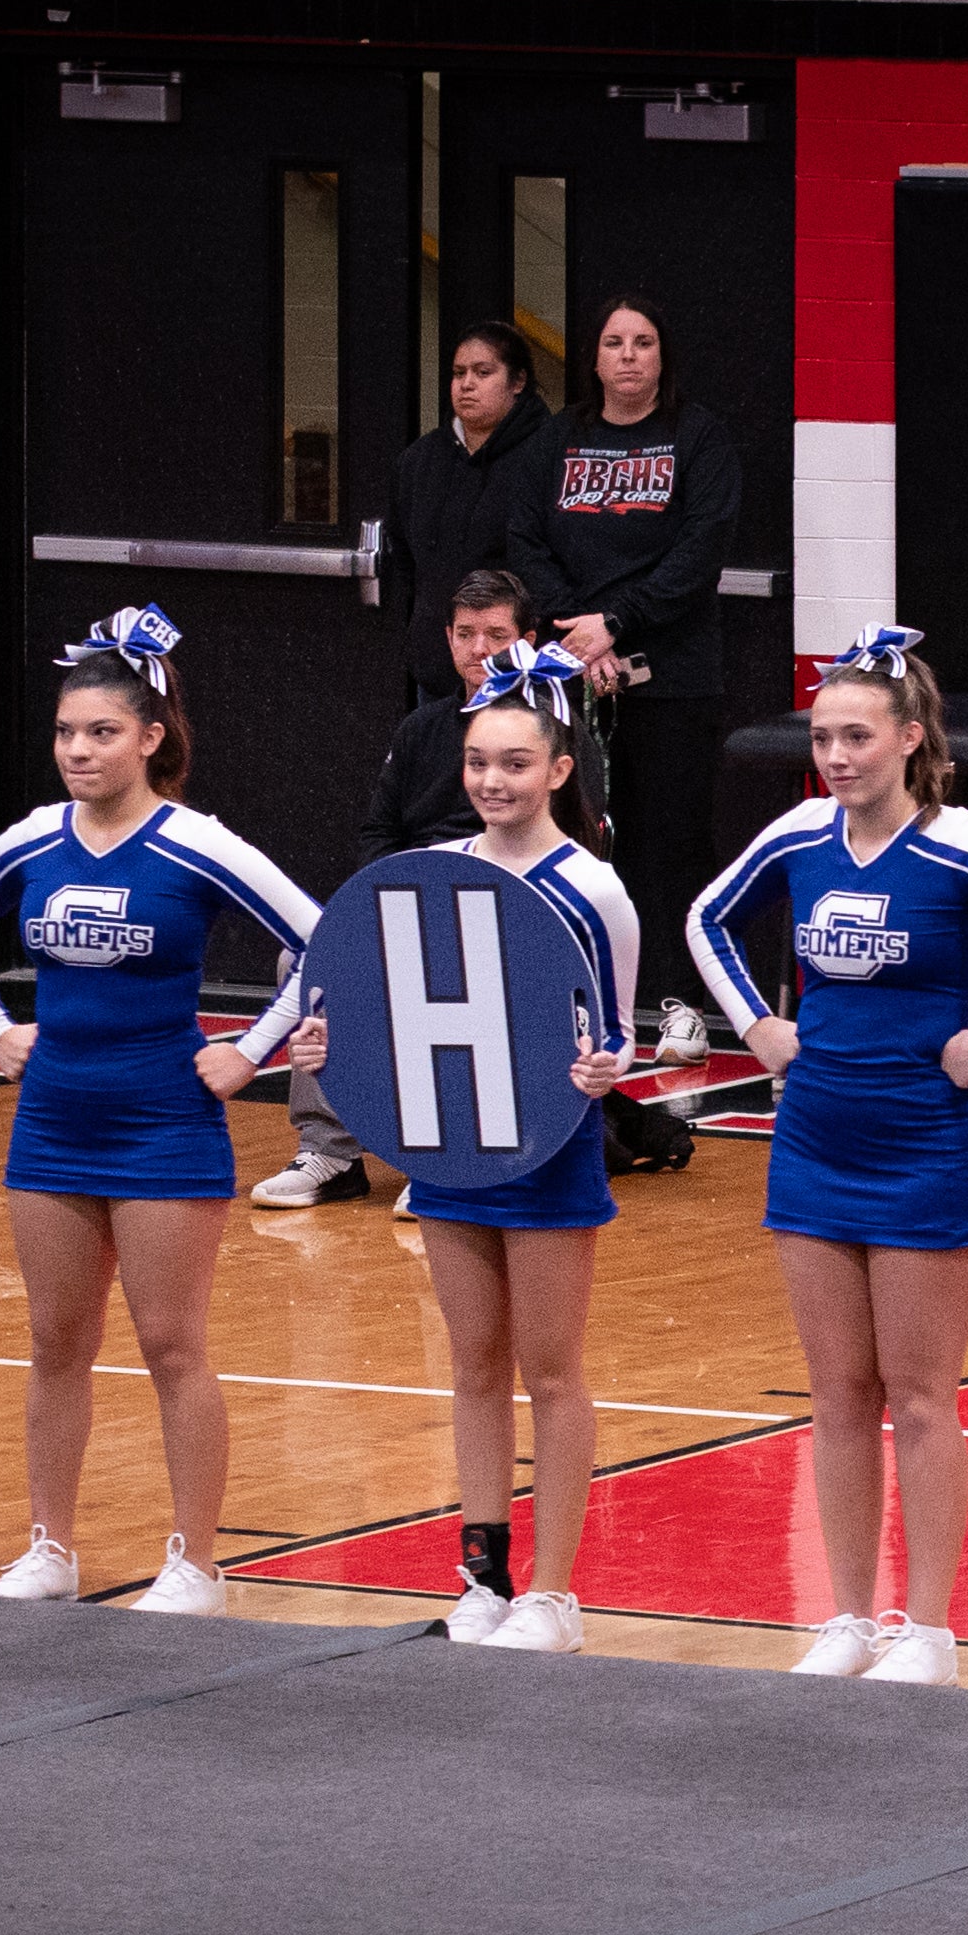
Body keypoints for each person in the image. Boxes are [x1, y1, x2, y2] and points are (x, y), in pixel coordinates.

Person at [688, 631, 968, 1689]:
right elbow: (705, 917)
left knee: (920, 1396)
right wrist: (755, 1025)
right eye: (823, 737)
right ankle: (845, 1614)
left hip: (925, 1141)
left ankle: (926, 1625)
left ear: (910, 739)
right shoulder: (798, 834)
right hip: (815, 1139)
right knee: (836, 1394)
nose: (834, 756)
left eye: (856, 736)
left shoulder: (961, 841)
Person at [0, 610, 327, 1615]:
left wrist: (249, 1049)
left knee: (171, 1345)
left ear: (149, 737)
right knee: (53, 1342)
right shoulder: (32, 836)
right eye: (66, 732)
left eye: (101, 732)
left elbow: (323, 939)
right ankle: (48, 1547)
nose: (77, 750)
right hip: (53, 1119)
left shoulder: (196, 845)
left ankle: (196, 1561)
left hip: (164, 1120)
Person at [390, 641, 642, 1653]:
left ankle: (553, 1591)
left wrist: (604, 1070)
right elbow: (391, 1000)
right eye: (478, 761)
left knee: (552, 1369)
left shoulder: (594, 890)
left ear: (559, 770)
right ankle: (481, 1576)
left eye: (514, 762)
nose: (492, 780)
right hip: (454, 1152)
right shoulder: (434, 874)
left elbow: (614, 1035)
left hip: (547, 1151)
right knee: (471, 1365)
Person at [506, 294, 749, 1029]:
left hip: (671, 677)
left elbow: (699, 552)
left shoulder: (697, 438)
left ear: (661, 355)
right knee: (573, 835)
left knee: (671, 841)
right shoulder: (559, 439)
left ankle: (680, 1002)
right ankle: (574, 1000)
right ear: (595, 357)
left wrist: (616, 624)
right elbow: (523, 537)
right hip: (570, 680)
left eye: (643, 342)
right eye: (614, 342)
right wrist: (578, 637)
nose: (629, 356)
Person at [262, 567, 538, 1211]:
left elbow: (567, 840)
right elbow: (378, 830)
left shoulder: (549, 731)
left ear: (526, 640)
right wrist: (386, 900)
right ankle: (331, 1151)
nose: (479, 651)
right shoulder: (422, 728)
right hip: (408, 899)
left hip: (497, 909)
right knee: (305, 959)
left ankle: (446, 1157)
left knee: (444, 969)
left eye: (496, 635)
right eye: (465, 635)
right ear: (447, 641)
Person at [380, 320, 557, 705]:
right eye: (459, 373)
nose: (466, 384)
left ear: (518, 381)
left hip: (525, 673)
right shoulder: (419, 461)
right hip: (440, 669)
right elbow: (407, 559)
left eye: (483, 372)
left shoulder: (550, 455)